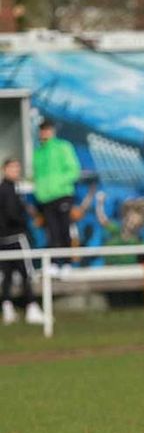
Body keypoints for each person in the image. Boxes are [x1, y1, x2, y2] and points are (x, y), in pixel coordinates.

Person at [33, 120, 81, 270]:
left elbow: (74, 170)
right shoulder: (38, 152)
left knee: (64, 229)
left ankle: (67, 263)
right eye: (42, 130)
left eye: (47, 130)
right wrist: (39, 190)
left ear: (52, 131)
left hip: (62, 195)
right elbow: (37, 175)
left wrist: (57, 184)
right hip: (45, 199)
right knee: (51, 232)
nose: (44, 133)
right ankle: (54, 263)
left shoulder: (63, 147)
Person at [0, 158, 43, 324]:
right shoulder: (8, 190)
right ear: (5, 169)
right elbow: (12, 214)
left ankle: (8, 308)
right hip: (16, 238)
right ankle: (31, 307)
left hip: (4, 239)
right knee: (26, 273)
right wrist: (26, 221)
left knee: (8, 275)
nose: (16, 171)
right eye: (12, 168)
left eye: (17, 168)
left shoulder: (12, 189)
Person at [95, 192, 144, 265]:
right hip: (109, 271)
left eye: (135, 224)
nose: (130, 225)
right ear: (125, 217)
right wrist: (100, 204)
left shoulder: (139, 242)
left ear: (140, 225)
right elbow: (103, 220)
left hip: (130, 273)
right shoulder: (115, 229)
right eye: (129, 220)